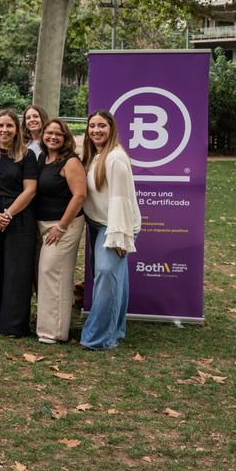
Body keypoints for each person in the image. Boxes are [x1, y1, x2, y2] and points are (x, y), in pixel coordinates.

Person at [80, 110, 140, 350]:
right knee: (115, 279)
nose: (96, 130)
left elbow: (120, 199)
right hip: (97, 222)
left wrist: (119, 238)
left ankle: (98, 338)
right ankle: (116, 330)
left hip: (115, 225)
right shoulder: (95, 154)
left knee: (106, 274)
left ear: (111, 128)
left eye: (101, 126)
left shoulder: (115, 158)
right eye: (92, 126)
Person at [0, 108, 38, 337]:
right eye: (0, 126)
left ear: (17, 129)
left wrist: (8, 215)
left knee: (16, 270)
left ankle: (12, 323)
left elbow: (30, 189)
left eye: (9, 126)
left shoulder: (26, 155)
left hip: (18, 217)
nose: (4, 130)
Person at [34, 118, 87, 345]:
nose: (53, 137)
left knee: (52, 272)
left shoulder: (71, 162)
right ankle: (47, 324)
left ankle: (54, 331)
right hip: (43, 224)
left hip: (65, 225)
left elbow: (80, 196)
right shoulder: (42, 159)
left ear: (66, 138)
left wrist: (62, 226)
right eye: (49, 133)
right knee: (47, 274)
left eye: (58, 134)